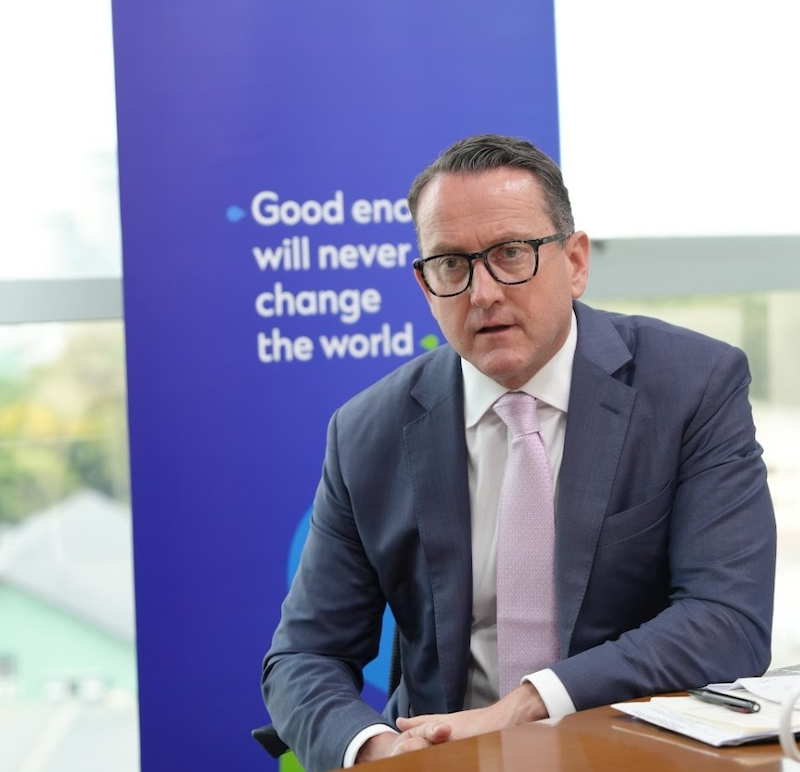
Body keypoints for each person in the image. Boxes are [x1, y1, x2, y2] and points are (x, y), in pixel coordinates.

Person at [262, 134, 776, 772]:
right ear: (425, 284)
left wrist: (529, 704)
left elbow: (727, 619)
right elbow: (305, 655)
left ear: (576, 262)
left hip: (636, 753)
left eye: (511, 254)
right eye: (452, 264)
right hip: (443, 757)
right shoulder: (367, 430)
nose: (482, 293)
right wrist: (380, 750)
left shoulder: (691, 386)